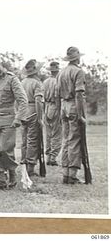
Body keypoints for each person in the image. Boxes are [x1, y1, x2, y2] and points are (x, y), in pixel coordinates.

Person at [0, 55, 28, 191]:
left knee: (5, 149)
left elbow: (23, 100)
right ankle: (0, 180)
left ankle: (12, 175)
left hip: (8, 119)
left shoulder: (12, 79)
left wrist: (19, 118)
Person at [57, 47, 86, 184]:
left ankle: (65, 174)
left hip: (63, 106)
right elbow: (79, 94)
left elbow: (57, 94)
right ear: (76, 58)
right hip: (73, 105)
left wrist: (59, 112)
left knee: (66, 140)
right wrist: (80, 115)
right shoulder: (78, 72)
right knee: (74, 140)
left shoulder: (61, 73)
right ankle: (72, 175)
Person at [21, 59, 44, 177]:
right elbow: (38, 101)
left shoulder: (22, 82)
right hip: (32, 110)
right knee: (32, 140)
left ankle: (24, 163)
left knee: (24, 140)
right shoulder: (37, 83)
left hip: (23, 111)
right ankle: (30, 166)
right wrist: (40, 118)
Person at [43, 61, 62, 166]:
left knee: (49, 134)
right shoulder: (58, 81)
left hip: (46, 107)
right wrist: (59, 111)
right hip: (55, 106)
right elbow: (57, 97)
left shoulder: (45, 82)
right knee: (56, 134)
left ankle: (48, 157)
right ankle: (53, 158)